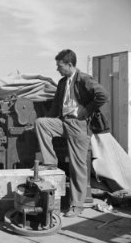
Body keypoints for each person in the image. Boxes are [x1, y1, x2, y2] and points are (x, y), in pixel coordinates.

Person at [35, 49, 109, 217]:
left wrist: (86, 111)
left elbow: (103, 95)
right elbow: (55, 107)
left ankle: (77, 205)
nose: (57, 69)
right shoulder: (62, 82)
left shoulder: (83, 79)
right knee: (41, 123)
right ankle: (50, 161)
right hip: (63, 122)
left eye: (59, 66)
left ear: (69, 65)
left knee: (77, 166)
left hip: (78, 125)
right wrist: (48, 118)